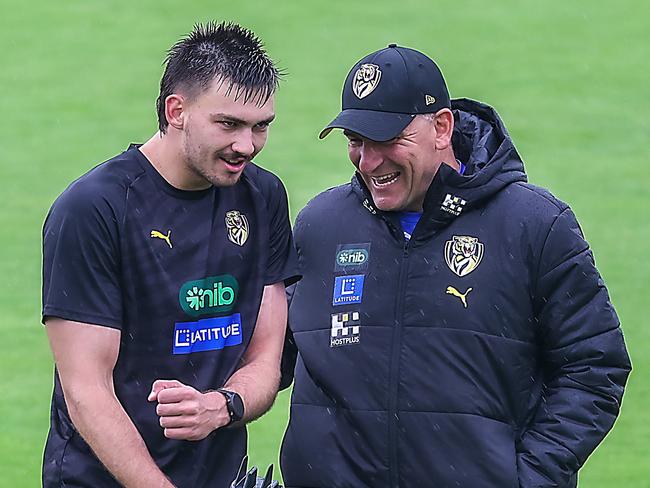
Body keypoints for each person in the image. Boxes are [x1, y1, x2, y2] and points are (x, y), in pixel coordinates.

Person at [280, 44, 631, 488]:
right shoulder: (321, 224)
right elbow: (273, 350)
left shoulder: (535, 225)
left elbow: (594, 367)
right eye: (356, 141)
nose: (368, 161)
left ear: (441, 127)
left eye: (387, 140)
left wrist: (527, 477)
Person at [41, 22, 299, 487]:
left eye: (261, 126)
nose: (247, 145)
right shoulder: (95, 209)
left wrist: (221, 406)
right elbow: (86, 392)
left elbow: (267, 359)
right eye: (229, 124)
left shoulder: (263, 196)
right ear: (176, 110)